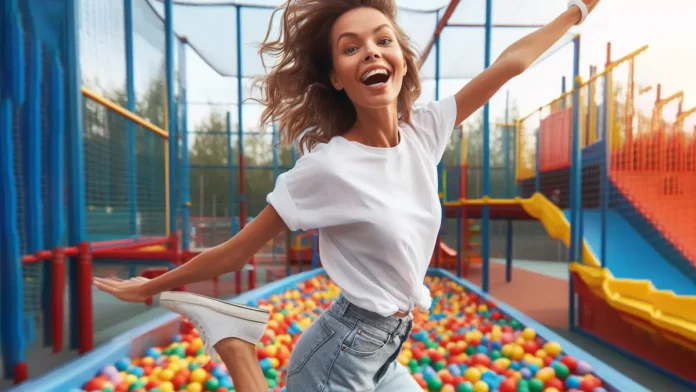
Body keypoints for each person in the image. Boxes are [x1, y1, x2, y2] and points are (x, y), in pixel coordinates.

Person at [94, 0, 598, 390]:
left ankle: (230, 333)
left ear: (401, 60)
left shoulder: (424, 131)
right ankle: (231, 338)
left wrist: (577, 9)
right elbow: (238, 250)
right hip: (342, 352)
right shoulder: (329, 167)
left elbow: (510, 64)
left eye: (383, 40)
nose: (372, 51)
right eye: (352, 47)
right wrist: (151, 287)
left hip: (384, 350)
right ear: (337, 77)